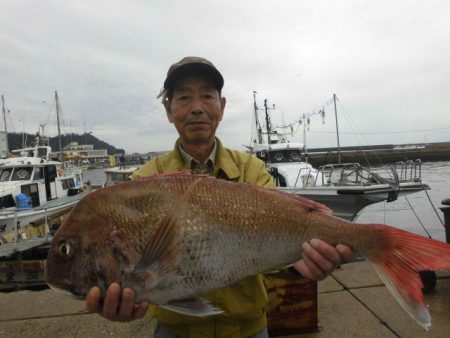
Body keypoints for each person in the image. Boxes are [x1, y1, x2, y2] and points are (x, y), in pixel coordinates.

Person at [85, 56, 353, 338]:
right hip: (175, 331)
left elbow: (275, 248)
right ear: (169, 109)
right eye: (184, 98)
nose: (197, 108)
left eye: (207, 96)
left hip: (248, 330)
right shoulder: (143, 182)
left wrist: (302, 266)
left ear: (221, 107)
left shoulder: (253, 170)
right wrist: (121, 299)